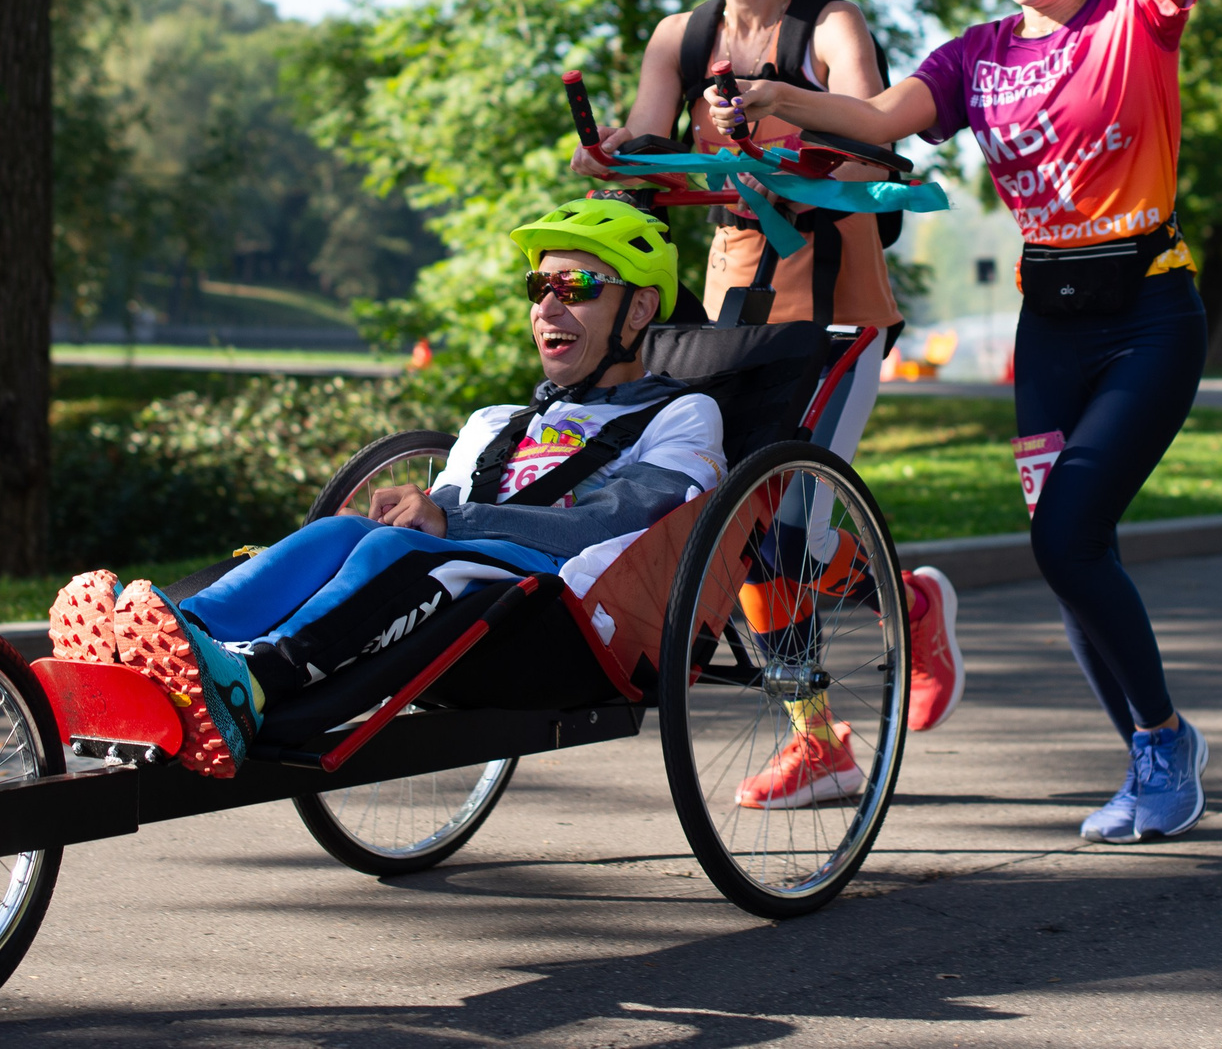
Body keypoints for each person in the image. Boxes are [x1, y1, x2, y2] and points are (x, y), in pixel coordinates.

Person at [710, 0, 1222, 843]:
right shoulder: (975, 58)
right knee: (1069, 554)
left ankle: (1161, 749)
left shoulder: (1135, 16)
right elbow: (877, 117)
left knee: (1063, 534)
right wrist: (773, 97)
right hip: (1051, 327)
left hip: (1148, 312)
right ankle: (1157, 752)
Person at [47, 199, 724, 779]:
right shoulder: (496, 423)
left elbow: (624, 522)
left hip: (566, 617)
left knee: (401, 554)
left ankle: (253, 682)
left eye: (574, 285)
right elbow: (440, 514)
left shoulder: (682, 416)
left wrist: (450, 521)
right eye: (537, 286)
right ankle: (167, 637)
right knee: (347, 533)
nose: (548, 303)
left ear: (638, 308)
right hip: (464, 582)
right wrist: (425, 514)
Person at [567, 0, 964, 798]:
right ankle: (863, 667)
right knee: (740, 520)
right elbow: (652, 166)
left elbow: (874, 140)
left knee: (780, 526)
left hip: (838, 309)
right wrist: (615, 158)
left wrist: (806, 143)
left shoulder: (829, 27)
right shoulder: (681, 35)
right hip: (729, 307)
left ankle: (859, 670)